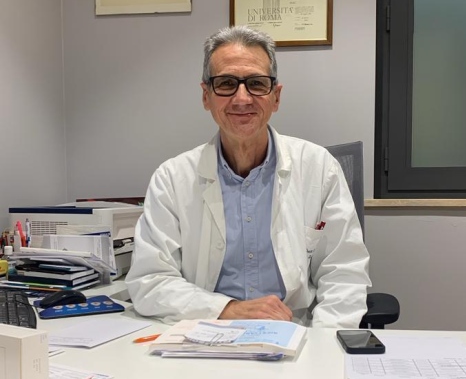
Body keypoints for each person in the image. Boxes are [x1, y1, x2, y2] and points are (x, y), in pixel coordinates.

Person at [126, 25, 371, 328]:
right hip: (205, 333)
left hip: (294, 333)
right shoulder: (172, 179)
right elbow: (150, 281)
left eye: (256, 84)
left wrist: (321, 344)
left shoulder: (319, 168)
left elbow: (344, 274)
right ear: (206, 96)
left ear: (276, 97)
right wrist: (228, 309)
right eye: (226, 83)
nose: (242, 99)